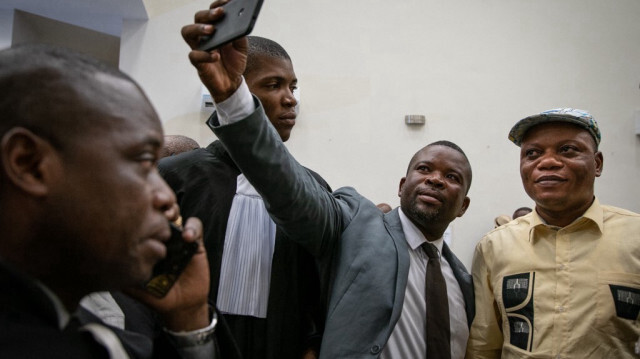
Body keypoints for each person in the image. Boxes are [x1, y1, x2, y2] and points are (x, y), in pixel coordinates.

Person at [180, 5, 474, 358]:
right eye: (424, 169)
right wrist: (233, 98)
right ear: (401, 185)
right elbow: (284, 184)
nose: (435, 180)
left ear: (465, 206)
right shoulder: (352, 223)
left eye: (451, 177)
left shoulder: (464, 281)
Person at [0, 44, 217, 358]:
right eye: (143, 163)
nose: (167, 198)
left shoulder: (64, 325)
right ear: (29, 164)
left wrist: (188, 318)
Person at [159, 35, 330, 359]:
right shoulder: (175, 177)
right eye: (273, 85)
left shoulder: (312, 189)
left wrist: (312, 344)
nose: (291, 99)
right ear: (233, 90)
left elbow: (315, 285)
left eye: (293, 87)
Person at [467, 108, 640, 358]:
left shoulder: (634, 237)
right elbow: (484, 347)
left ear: (597, 163)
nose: (547, 162)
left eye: (567, 150)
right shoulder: (494, 246)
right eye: (532, 153)